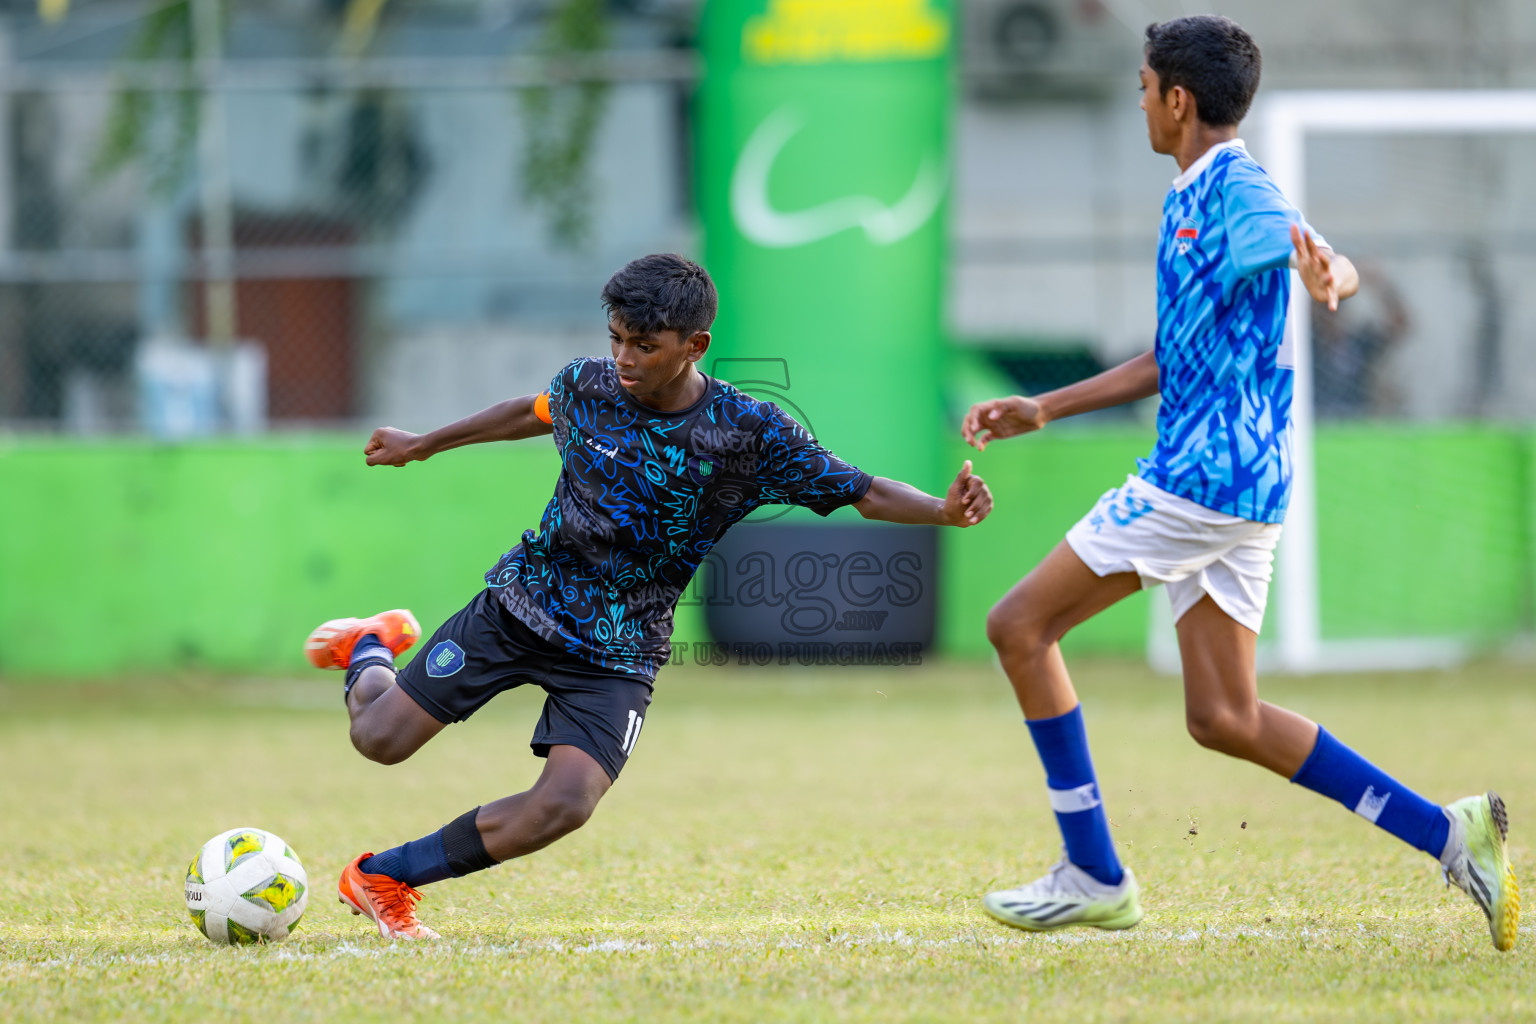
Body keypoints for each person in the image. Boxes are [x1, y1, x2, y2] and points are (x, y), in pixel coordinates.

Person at [962, 16, 1517, 951]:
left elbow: (1303, 247)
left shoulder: (1234, 189)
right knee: (1222, 715)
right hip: (1241, 485)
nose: (1138, 99)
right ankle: (1448, 832)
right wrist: (1046, 407)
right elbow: (1167, 357)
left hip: (1201, 478)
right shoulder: (1193, 196)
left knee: (1018, 625)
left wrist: (1330, 273)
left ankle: (1094, 871)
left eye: (1143, 86)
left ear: (1178, 100)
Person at [305, 252, 994, 939]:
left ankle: (384, 875)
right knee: (378, 741)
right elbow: (529, 412)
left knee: (566, 804)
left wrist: (944, 509)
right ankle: (369, 644)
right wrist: (424, 443)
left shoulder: (749, 433)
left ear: (695, 346)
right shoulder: (587, 386)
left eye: (644, 344)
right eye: (616, 338)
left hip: (619, 647)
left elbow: (864, 491)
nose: (624, 357)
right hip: (522, 606)